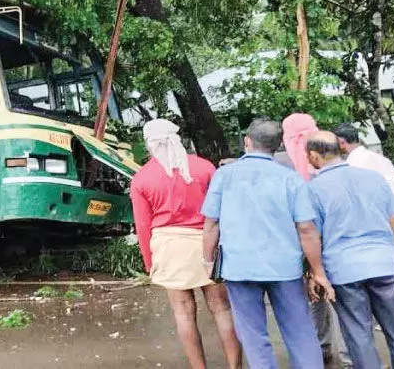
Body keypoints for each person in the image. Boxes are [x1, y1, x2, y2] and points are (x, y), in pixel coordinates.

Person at [202, 118, 334, 369]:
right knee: (300, 331)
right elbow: (306, 229)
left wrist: (208, 262)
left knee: (254, 336)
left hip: (240, 267)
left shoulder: (224, 176)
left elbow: (211, 224)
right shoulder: (290, 178)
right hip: (285, 268)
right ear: (277, 145)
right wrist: (317, 271)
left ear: (247, 141)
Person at [130, 119, 241, 369]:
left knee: (183, 313)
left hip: (170, 248)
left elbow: (143, 226)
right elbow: (223, 209)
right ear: (178, 139)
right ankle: (235, 366)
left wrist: (149, 262)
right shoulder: (204, 167)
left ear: (148, 144)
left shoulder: (141, 178)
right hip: (208, 242)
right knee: (222, 309)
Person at [305, 131, 394, 369]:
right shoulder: (373, 178)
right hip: (382, 263)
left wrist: (316, 272)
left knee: (359, 334)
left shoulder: (313, 189)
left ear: (314, 155)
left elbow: (311, 234)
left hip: (343, 270)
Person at [333, 123, 394, 331]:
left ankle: (390, 319)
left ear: (341, 143)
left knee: (381, 271)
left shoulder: (351, 166)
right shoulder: (380, 158)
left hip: (378, 220)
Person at [283, 114, 353, 368]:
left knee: (312, 298)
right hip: (333, 241)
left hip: (299, 243)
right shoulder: (325, 157)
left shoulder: (282, 164)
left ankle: (318, 350)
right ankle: (348, 356)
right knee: (339, 300)